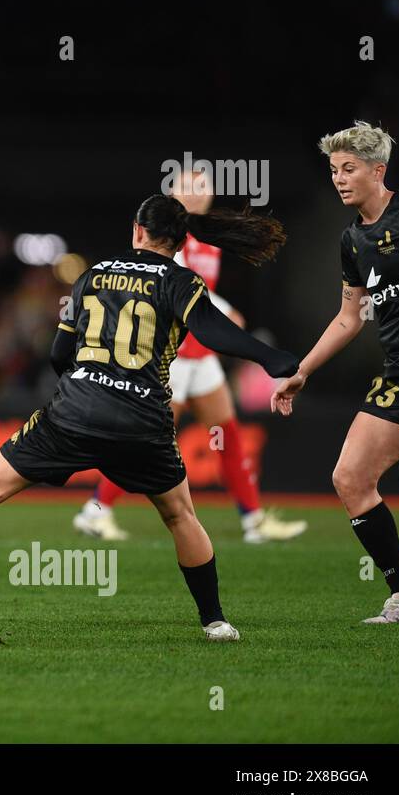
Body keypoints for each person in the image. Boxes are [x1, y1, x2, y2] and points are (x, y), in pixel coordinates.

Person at [0, 195, 299, 641]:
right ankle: (215, 620)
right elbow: (212, 331)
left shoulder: (92, 275)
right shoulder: (183, 281)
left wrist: (86, 389)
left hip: (73, 411)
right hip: (143, 421)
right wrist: (269, 357)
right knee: (181, 516)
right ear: (181, 242)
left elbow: (58, 354)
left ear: (137, 230)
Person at [74, 169, 306, 544]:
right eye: (188, 187)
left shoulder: (205, 237)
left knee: (227, 435)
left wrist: (222, 310)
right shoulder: (170, 237)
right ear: (173, 192)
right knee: (144, 439)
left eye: (203, 188)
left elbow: (196, 291)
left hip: (199, 357)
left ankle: (253, 520)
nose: (197, 195)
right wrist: (225, 311)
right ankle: (95, 510)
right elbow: (172, 287)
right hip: (172, 356)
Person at [272, 120, 399, 624]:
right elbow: (349, 317)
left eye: (349, 168)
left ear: (379, 170)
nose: (339, 178)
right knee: (351, 477)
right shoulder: (353, 240)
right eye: (334, 169)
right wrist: (302, 371)